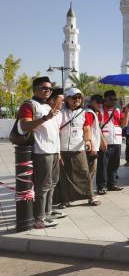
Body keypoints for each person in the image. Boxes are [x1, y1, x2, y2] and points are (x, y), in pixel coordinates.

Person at [17, 77, 63, 229]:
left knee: (52, 183)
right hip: (41, 151)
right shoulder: (29, 105)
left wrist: (59, 152)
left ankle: (47, 213)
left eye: (49, 89)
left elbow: (53, 132)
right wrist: (45, 118)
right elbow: (24, 126)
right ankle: (39, 219)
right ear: (35, 89)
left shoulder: (49, 106)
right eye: (44, 88)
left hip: (54, 151)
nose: (48, 91)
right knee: (43, 186)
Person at [55, 88, 98, 208]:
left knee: (84, 172)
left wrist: (88, 141)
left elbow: (86, 129)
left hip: (78, 148)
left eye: (79, 97)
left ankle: (91, 196)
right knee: (64, 175)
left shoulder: (84, 113)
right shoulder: (60, 113)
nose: (77, 100)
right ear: (67, 99)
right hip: (62, 148)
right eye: (74, 97)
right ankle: (65, 200)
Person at [97, 90, 129, 195]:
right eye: (111, 99)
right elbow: (96, 127)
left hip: (117, 140)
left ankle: (112, 184)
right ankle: (101, 186)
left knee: (114, 164)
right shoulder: (100, 111)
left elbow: (123, 124)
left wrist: (127, 112)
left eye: (115, 99)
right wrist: (101, 141)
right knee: (102, 165)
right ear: (105, 99)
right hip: (104, 141)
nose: (113, 101)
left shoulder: (118, 110)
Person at [84, 94, 105, 204]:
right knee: (90, 172)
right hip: (90, 148)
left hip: (93, 146)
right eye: (97, 102)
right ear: (92, 101)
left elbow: (97, 129)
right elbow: (86, 129)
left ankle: (88, 194)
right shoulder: (88, 112)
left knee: (91, 172)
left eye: (101, 103)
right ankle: (90, 195)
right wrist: (91, 146)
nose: (100, 104)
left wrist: (102, 141)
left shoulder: (93, 113)